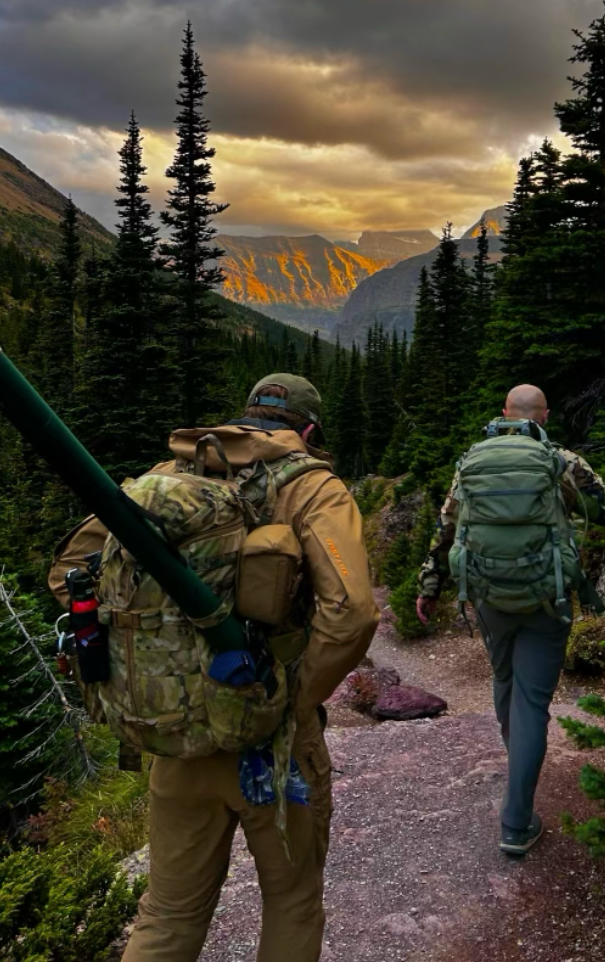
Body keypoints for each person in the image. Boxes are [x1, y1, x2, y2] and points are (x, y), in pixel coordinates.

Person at [51, 374, 379, 962]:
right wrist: (293, 699)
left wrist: (153, 648)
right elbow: (351, 613)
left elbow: (68, 573)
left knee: (169, 914)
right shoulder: (313, 486)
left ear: (248, 417)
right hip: (272, 753)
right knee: (292, 902)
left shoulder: (170, 476)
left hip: (180, 740)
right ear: (308, 430)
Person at [415, 384, 605, 856]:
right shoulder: (561, 461)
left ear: (503, 413)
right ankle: (515, 821)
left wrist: (429, 586)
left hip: (489, 597)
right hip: (545, 597)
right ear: (545, 417)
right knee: (532, 701)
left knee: (505, 682)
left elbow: (446, 526)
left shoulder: (470, 461)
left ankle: (519, 774)